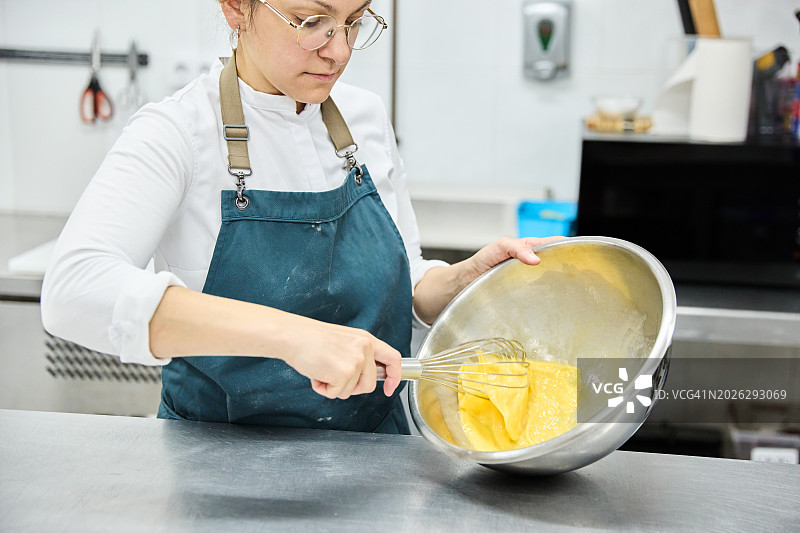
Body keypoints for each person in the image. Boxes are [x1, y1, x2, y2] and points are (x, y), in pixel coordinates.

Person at [41, 0, 558, 434]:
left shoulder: (366, 118)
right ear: (237, 7)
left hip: (376, 457)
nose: (339, 51)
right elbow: (74, 290)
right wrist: (296, 336)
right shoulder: (178, 133)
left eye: (354, 21)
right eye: (311, 21)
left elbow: (410, 277)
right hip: (218, 470)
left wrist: (461, 279)